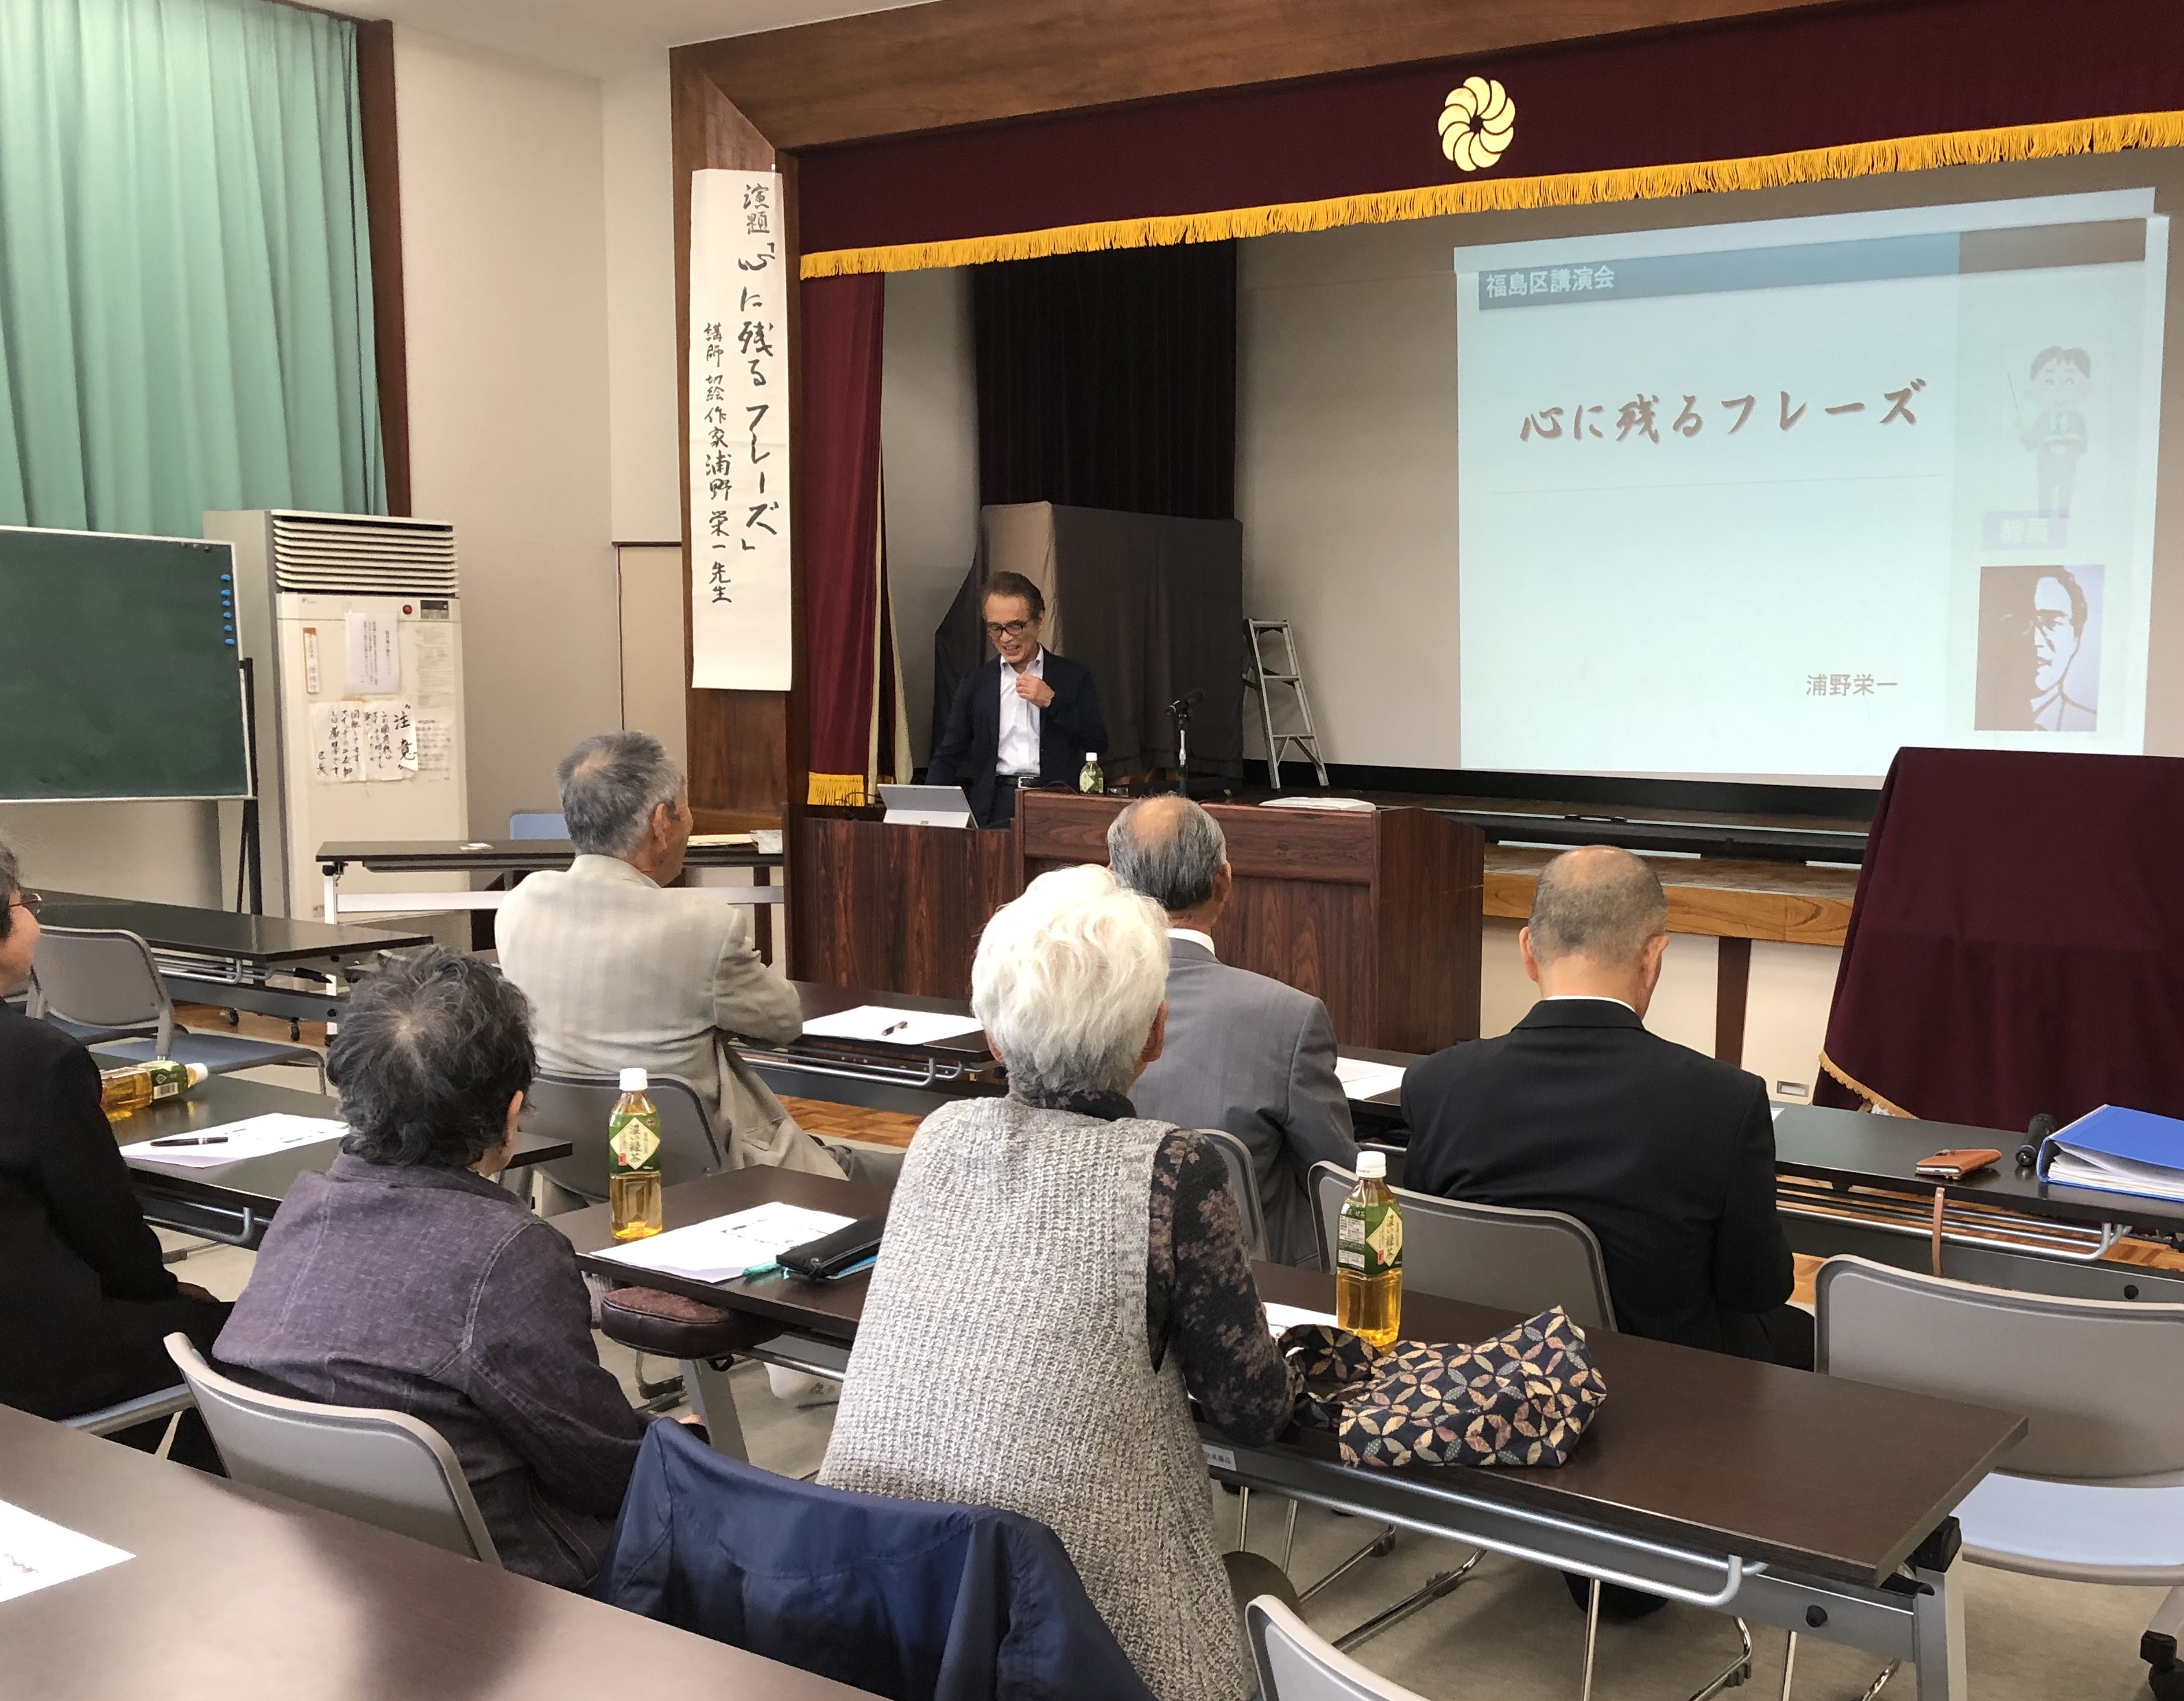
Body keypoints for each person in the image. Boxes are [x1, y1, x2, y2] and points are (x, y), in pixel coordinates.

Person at [820, 867, 1296, 1701]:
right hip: (1083, 1637)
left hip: (880, 1607)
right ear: (1154, 1034)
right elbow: (1251, 1409)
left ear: (993, 1037)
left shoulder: (938, 1138)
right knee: (1257, 1591)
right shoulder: (1171, 1170)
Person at [215, 949, 651, 1590]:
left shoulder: (302, 1209)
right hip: (510, 1591)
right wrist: (673, 1445)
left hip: (317, 1570)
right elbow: (601, 1470)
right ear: (512, 1112)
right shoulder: (512, 1252)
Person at [1402, 845, 1806, 1371]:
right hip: (1662, 1382)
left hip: (1483, 1372)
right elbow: (1756, 1287)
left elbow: (1427, 1257)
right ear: (1652, 957)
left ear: (1527, 951)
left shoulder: (1435, 1083)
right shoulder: (1726, 1100)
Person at [497, 731, 840, 1178]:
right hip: (704, 1174)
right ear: (661, 823)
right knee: (867, 1172)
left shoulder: (520, 905)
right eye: (685, 806)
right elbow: (783, 1020)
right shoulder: (702, 925)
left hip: (570, 1170)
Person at [0, 837, 229, 1466]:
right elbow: (106, 1227)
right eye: (25, 904)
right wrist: (165, 1294)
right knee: (245, 1336)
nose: (34, 919)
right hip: (34, 1359)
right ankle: (192, 1503)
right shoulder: (38, 1060)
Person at [1108, 795, 1356, 1266]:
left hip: (1108, 1272)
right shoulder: (1290, 1017)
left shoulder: (1071, 1009)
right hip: (1254, 1286)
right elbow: (1341, 1184)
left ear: (1115, 883)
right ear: (1223, 881)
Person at [927, 570, 1108, 828]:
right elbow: (948, 754)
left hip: (1055, 800)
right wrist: (926, 813)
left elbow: (1097, 742)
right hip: (995, 803)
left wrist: (1052, 703)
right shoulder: (976, 683)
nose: (1005, 638)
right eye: (995, 628)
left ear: (1039, 620)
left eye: (1015, 626)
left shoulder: (1073, 677)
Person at [2028, 567, 2097, 732]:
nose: (2036, 641)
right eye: (2022, 622)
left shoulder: (2090, 724)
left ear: (2076, 638)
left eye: (2051, 622)